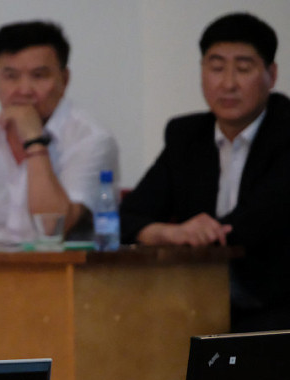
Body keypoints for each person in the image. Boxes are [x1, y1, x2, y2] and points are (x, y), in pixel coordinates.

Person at [120, 12, 290, 332]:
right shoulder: (186, 136)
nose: (228, 83)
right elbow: (127, 216)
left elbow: (257, 221)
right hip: (198, 299)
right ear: (201, 72)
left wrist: (199, 233)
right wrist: (171, 233)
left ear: (272, 74)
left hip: (275, 301)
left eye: (243, 68)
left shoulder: (285, 129)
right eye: (216, 68)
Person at [0, 20, 118, 241]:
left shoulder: (91, 140)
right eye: (11, 76)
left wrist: (34, 140)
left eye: (39, 76)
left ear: (64, 79)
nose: (24, 90)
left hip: (58, 263)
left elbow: (51, 228)